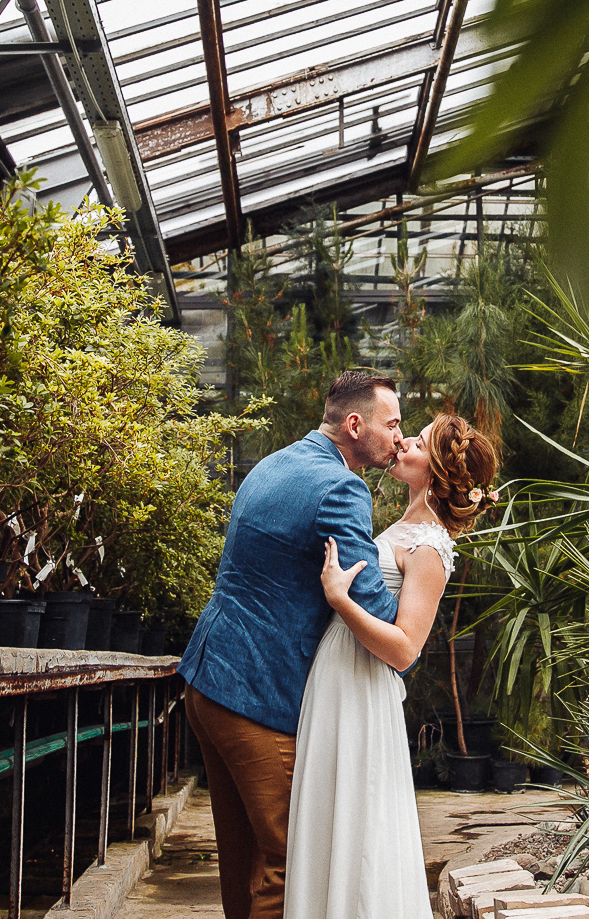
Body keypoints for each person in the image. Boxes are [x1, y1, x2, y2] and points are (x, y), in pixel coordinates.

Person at [179, 370, 407, 919]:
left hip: (207, 681)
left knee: (242, 862)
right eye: (392, 424)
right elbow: (372, 604)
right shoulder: (341, 487)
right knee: (290, 863)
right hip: (257, 698)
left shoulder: (273, 463)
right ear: (355, 425)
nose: (400, 437)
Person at [284, 411, 500, 919]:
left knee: (359, 827)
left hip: (362, 688)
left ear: (439, 471)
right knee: (324, 818)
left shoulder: (430, 548)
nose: (403, 442)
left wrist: (342, 601)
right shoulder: (403, 527)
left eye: (418, 441)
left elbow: (405, 648)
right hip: (335, 679)